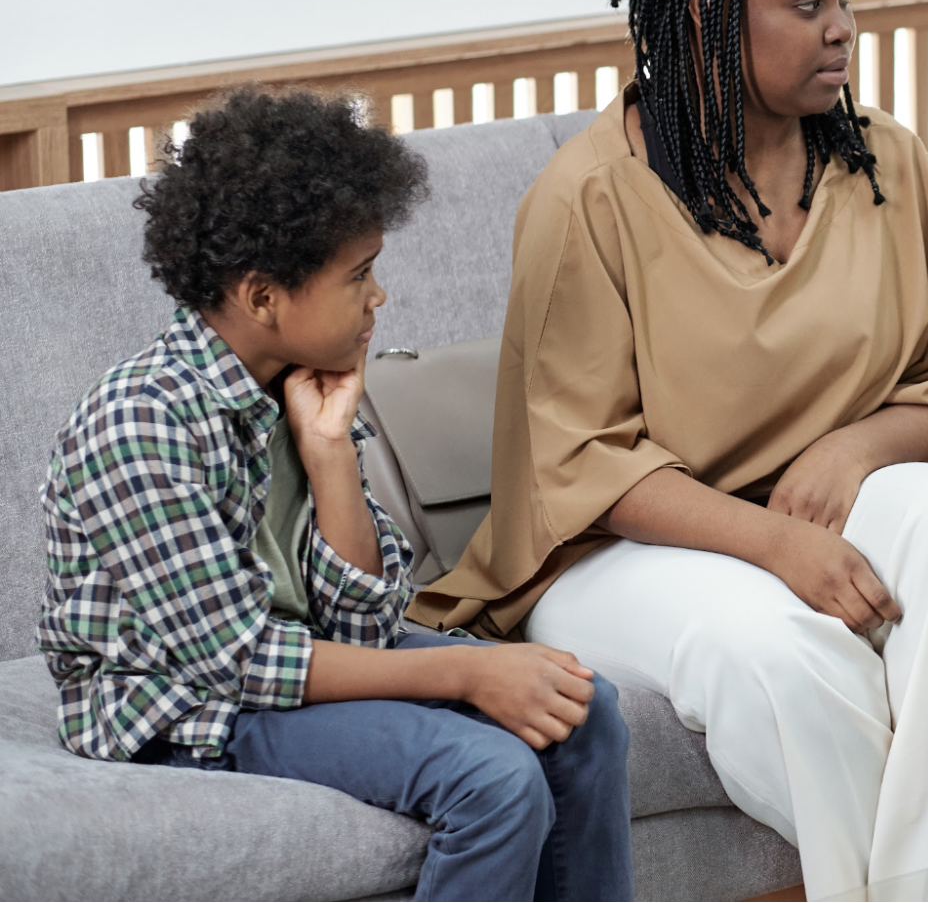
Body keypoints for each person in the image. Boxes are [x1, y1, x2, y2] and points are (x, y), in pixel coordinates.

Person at [410, 0, 928, 901]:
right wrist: (774, 542)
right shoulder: (591, 201)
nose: (841, 26)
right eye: (807, 3)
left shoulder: (881, 161)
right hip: (613, 549)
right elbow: (583, 464)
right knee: (787, 653)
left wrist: (856, 445)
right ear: (705, 19)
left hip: (824, 494)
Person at [40, 86, 634, 903]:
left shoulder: (304, 385)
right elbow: (243, 660)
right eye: (358, 274)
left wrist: (328, 456)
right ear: (261, 296)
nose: (378, 296)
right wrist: (466, 674)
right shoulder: (139, 422)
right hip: (187, 710)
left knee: (584, 704)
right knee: (492, 776)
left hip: (289, 667)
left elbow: (360, 622)